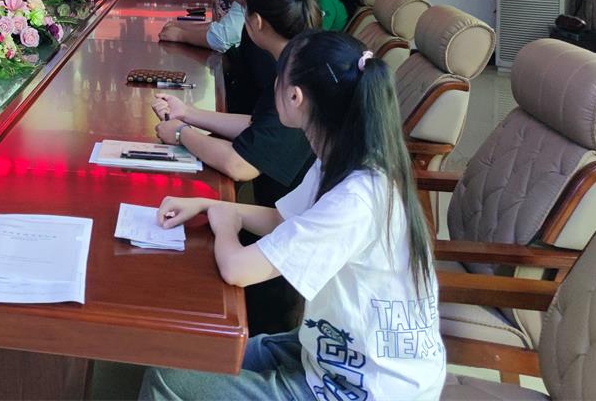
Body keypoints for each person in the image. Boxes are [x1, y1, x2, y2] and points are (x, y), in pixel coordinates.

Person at [143, 31, 442, 401]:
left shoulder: (355, 199)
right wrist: (211, 206)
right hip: (335, 350)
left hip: (361, 387)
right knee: (201, 349)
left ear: (294, 96)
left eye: (278, 77)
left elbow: (238, 269)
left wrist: (225, 227)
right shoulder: (348, 158)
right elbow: (286, 222)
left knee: (167, 377)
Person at [153, 0, 317, 209]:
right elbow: (259, 127)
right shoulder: (301, 59)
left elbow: (240, 165)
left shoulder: (296, 78)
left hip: (288, 218)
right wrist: (187, 113)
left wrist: (181, 134)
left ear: (257, 22)